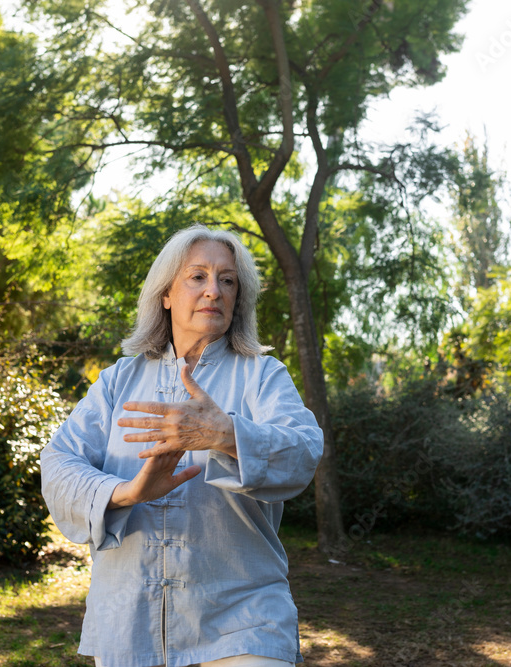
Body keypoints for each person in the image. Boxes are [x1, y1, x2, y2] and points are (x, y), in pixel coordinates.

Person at [41, 225, 323, 667]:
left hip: (243, 620)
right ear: (166, 293)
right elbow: (58, 465)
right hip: (129, 622)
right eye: (198, 277)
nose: (214, 290)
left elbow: (304, 452)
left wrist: (225, 434)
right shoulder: (118, 380)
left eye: (227, 280)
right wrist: (128, 493)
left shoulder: (262, 375)